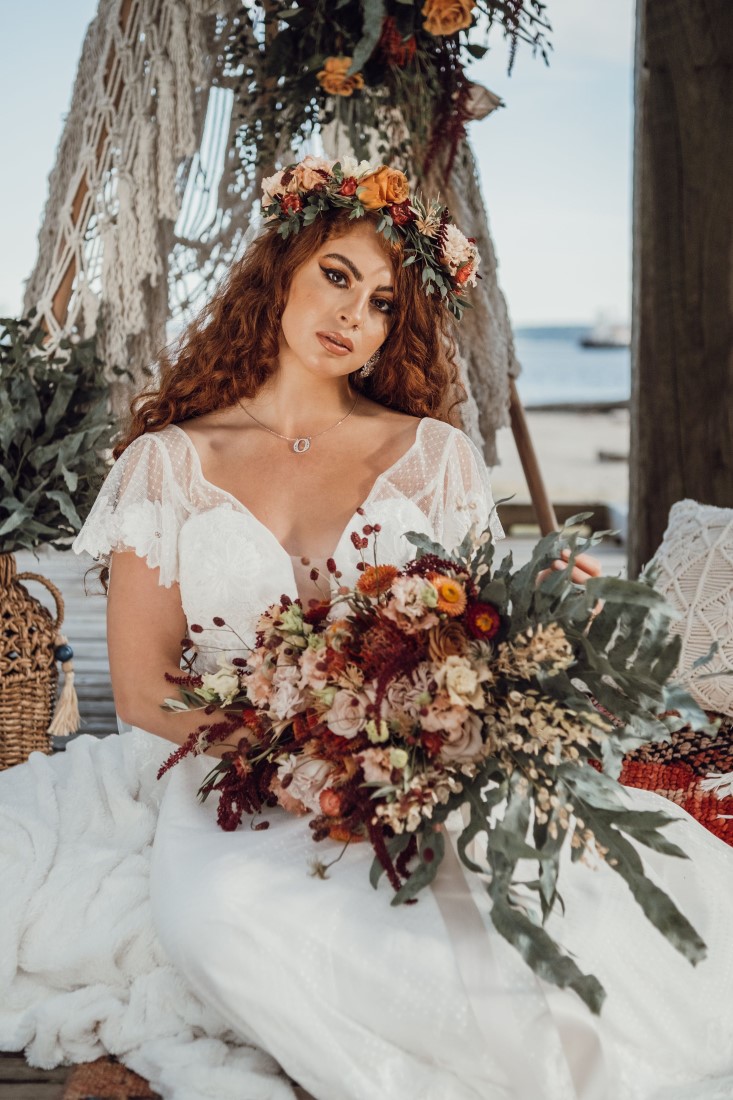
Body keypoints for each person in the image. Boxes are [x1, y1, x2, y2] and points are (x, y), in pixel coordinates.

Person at [1, 157, 732, 1100]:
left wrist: (404, 752)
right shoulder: (168, 463)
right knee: (228, 918)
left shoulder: (433, 455)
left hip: (418, 756)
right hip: (230, 763)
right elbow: (143, 690)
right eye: (337, 276)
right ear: (282, 274)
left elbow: (478, 643)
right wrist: (295, 759)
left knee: (540, 911)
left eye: (385, 302)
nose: (355, 315)